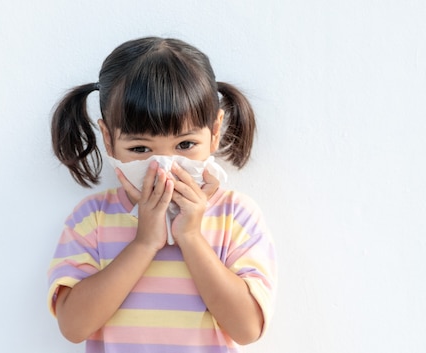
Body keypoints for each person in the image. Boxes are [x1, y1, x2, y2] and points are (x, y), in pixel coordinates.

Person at [47, 37, 276, 353]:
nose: (164, 166)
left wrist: (192, 237)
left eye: (184, 145)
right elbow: (73, 327)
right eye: (140, 149)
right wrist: (144, 243)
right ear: (109, 140)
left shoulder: (235, 215)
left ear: (214, 132)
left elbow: (247, 328)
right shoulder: (93, 218)